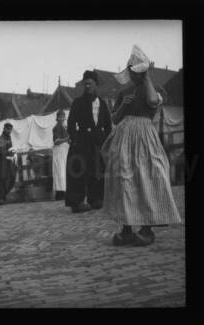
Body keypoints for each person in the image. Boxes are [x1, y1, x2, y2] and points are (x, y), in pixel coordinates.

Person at [101, 46, 182, 246]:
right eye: (132, 71)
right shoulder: (124, 92)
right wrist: (123, 105)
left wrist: (146, 79)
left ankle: (147, 229)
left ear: (143, 72)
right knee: (124, 180)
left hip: (144, 136)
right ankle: (127, 228)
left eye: (138, 71)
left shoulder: (151, 90)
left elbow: (153, 102)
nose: (133, 75)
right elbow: (114, 118)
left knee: (148, 177)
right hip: (124, 137)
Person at [65, 70, 112, 213]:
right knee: (78, 170)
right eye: (85, 84)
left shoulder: (102, 104)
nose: (87, 87)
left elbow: (108, 125)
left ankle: (96, 198)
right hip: (82, 140)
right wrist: (75, 139)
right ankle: (77, 202)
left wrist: (106, 141)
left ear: (96, 85)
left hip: (98, 140)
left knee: (97, 170)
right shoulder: (77, 102)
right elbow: (71, 123)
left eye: (90, 84)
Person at [0, 123, 17, 205]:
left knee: (10, 177)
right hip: (2, 162)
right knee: (2, 179)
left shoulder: (9, 137)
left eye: (10, 130)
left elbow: (9, 148)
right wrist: (7, 153)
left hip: (8, 161)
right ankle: (0, 198)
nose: (9, 131)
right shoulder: (1, 138)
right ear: (4, 129)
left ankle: (3, 196)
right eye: (8, 129)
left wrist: (12, 153)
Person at [52, 109, 70, 200]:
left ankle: (63, 192)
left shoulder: (65, 127)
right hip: (59, 151)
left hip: (65, 151)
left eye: (63, 116)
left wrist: (69, 140)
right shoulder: (56, 127)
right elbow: (56, 141)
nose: (62, 118)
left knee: (64, 171)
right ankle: (60, 193)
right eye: (60, 117)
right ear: (57, 118)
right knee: (60, 171)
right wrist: (67, 139)